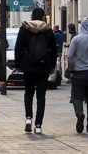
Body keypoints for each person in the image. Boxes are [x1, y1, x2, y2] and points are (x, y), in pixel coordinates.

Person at [13, 7, 58, 135]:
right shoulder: (48, 30)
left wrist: (18, 64)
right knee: (41, 96)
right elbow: (53, 50)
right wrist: (52, 66)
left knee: (28, 93)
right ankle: (38, 125)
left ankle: (28, 118)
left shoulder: (24, 29)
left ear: (32, 16)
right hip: (43, 67)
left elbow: (18, 47)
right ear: (43, 17)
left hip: (28, 66)